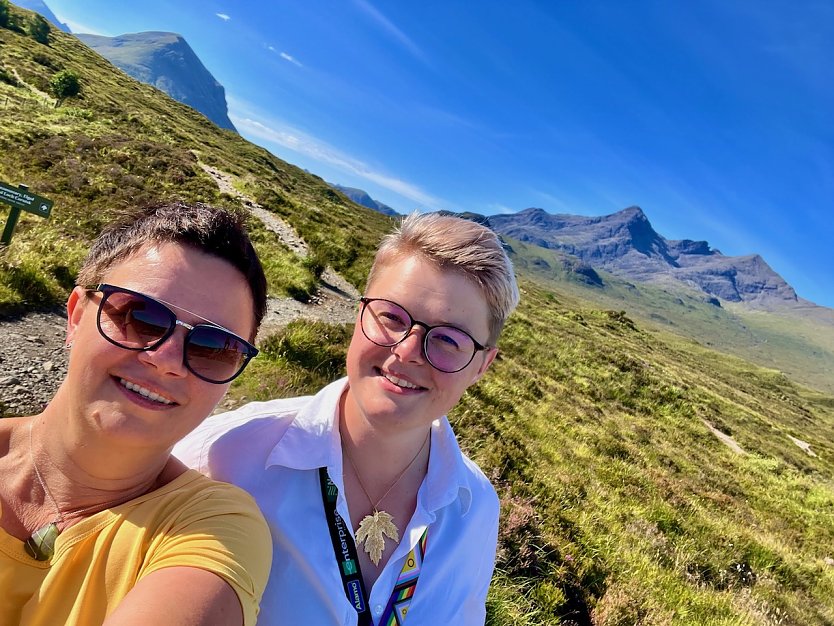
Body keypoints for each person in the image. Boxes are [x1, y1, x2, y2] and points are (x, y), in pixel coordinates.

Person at [174, 211, 520, 625]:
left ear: (481, 366)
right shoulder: (225, 453)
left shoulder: (475, 508)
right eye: (392, 317)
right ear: (359, 316)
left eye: (448, 339)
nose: (407, 351)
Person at [0, 202, 273, 626]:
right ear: (75, 315)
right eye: (139, 316)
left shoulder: (214, 528)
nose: (166, 360)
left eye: (213, 347)